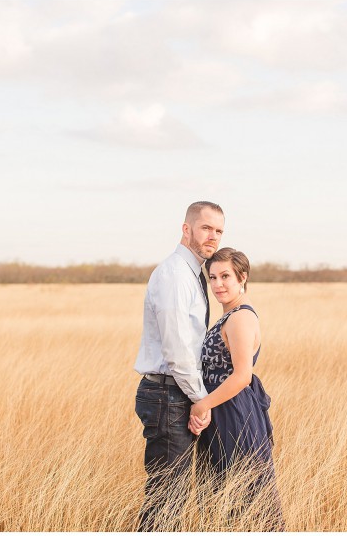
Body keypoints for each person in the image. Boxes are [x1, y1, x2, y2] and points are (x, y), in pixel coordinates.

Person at [133, 201, 225, 531]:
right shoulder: (174, 274)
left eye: (218, 230)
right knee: (167, 498)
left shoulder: (191, 273)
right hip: (168, 393)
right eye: (206, 227)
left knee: (172, 495)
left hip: (175, 392)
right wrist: (202, 400)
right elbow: (177, 350)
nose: (213, 236)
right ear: (186, 229)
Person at [188, 247, 285, 531]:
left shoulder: (241, 317)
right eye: (213, 277)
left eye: (225, 276)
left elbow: (242, 375)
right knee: (223, 496)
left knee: (247, 497)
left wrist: (202, 404)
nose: (217, 284)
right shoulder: (228, 315)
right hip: (223, 409)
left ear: (242, 277)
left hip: (234, 413)